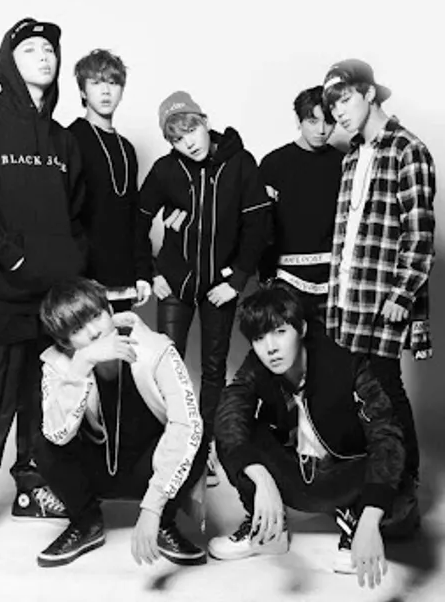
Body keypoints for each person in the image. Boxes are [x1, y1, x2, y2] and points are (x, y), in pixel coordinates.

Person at [0, 17, 87, 565]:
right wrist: (15, 257)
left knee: (41, 395)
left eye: (49, 49)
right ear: (10, 61)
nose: (44, 56)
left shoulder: (62, 139)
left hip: (52, 299)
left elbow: (77, 215)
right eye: (30, 49)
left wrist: (68, 267)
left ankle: (34, 485)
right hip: (0, 291)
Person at [210, 282, 406, 589]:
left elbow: (386, 435)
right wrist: (260, 478)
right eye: (259, 338)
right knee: (232, 430)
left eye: (280, 332)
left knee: (399, 487)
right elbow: (229, 411)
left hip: (345, 476)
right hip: (296, 477)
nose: (270, 348)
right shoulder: (257, 365)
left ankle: (357, 523)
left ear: (301, 328)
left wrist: (370, 520)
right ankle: (267, 530)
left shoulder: (345, 364)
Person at [138, 91, 271, 484]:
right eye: (177, 138)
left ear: (205, 122)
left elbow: (257, 225)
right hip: (175, 285)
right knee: (166, 365)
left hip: (219, 287)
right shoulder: (166, 170)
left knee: (214, 369)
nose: (189, 142)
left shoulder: (240, 163)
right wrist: (151, 271)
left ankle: (206, 448)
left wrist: (237, 280)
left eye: (192, 130)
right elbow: (137, 220)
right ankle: (171, 446)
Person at [322, 59, 435, 499]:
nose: (339, 112)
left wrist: (402, 294)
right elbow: (348, 232)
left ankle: (405, 487)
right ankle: (375, 484)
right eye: (332, 106)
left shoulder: (408, 149)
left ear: (369, 93)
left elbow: (419, 232)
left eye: (345, 99)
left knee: (387, 389)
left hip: (385, 295)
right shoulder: (352, 156)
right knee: (360, 392)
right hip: (350, 293)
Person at [36, 278, 207, 568]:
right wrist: (81, 365)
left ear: (109, 310)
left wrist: (153, 508)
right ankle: (86, 523)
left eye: (96, 316)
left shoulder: (156, 350)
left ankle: (164, 523)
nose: (93, 332)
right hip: (96, 471)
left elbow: (186, 425)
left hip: (148, 467)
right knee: (43, 438)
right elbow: (57, 434)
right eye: (77, 330)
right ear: (65, 342)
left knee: (196, 435)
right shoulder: (58, 363)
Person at [69, 48, 152, 312]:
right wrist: (75, 274)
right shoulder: (69, 140)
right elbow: (63, 214)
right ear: (83, 91)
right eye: (96, 83)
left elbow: (135, 215)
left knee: (124, 339)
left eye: (113, 83)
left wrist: (143, 272)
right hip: (82, 279)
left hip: (123, 278)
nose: (105, 91)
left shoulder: (126, 148)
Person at [259, 85, 343, 326]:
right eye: (312, 121)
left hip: (334, 279)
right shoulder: (273, 164)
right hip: (285, 279)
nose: (321, 130)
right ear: (298, 121)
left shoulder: (344, 163)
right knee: (288, 346)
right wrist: (266, 274)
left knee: (331, 349)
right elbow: (261, 225)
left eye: (329, 122)